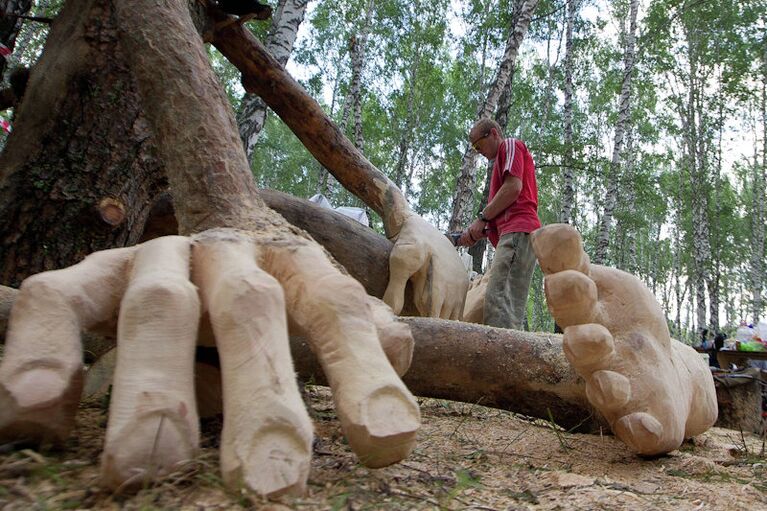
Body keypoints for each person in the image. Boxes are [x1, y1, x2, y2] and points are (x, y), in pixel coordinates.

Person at [458, 119, 541, 330]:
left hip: (518, 232)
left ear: (493, 134)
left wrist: (482, 218)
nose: (478, 151)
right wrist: (478, 231)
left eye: (478, 145)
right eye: (474, 148)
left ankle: (499, 360)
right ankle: (509, 357)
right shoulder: (499, 163)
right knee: (508, 306)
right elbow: (505, 211)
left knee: (499, 304)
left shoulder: (510, 145)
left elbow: (513, 188)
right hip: (515, 234)